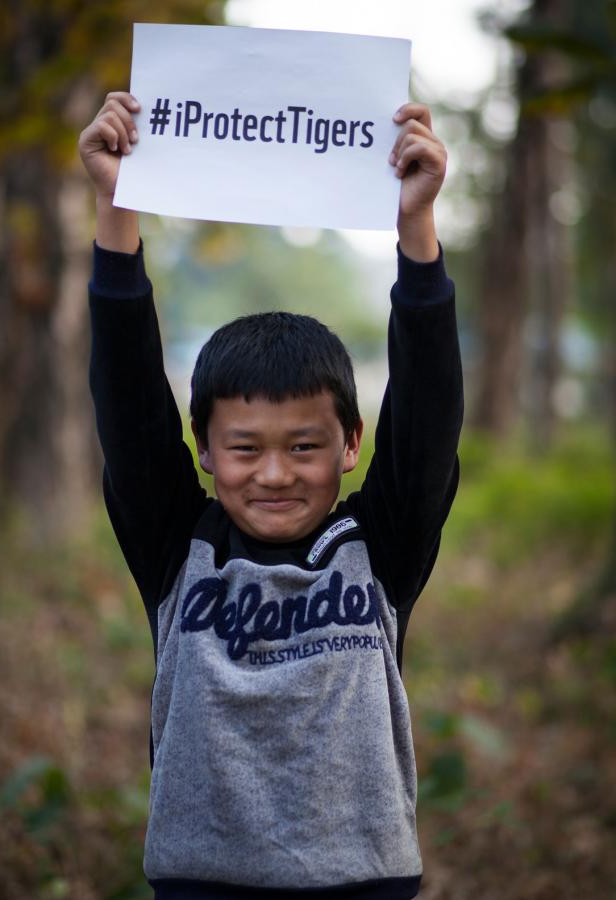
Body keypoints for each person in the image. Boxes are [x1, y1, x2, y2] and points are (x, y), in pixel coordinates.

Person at [79, 90, 463, 900]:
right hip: (199, 883)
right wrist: (117, 211)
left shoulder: (379, 547)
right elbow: (126, 401)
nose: (276, 473)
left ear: (351, 446)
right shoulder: (178, 544)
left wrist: (416, 232)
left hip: (367, 882)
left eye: (305, 447)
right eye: (246, 449)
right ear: (206, 453)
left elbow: (427, 415)